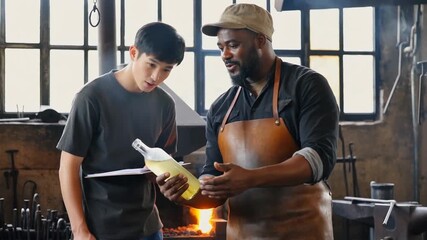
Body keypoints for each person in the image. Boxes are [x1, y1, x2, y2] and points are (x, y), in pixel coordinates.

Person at [156, 3, 339, 240]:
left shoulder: (306, 85)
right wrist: (185, 194)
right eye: (221, 47)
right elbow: (213, 183)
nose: (225, 55)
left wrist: (250, 178)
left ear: (261, 41)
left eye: (233, 45)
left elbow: (318, 160)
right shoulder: (221, 107)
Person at [57, 22, 185, 240]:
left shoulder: (165, 104)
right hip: (100, 228)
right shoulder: (91, 97)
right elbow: (67, 167)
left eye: (166, 69)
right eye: (151, 64)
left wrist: (169, 180)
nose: (156, 76)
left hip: (149, 228)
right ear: (134, 52)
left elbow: (163, 166)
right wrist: (79, 230)